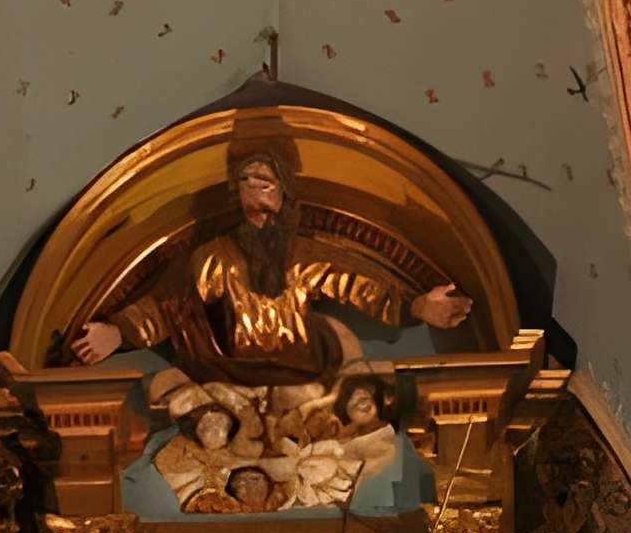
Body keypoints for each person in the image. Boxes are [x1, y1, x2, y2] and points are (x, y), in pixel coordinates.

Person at [69, 143, 470, 384]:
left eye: (266, 186)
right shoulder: (215, 258)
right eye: (246, 187)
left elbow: (360, 283)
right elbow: (169, 303)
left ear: (284, 195)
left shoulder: (304, 257)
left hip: (306, 377)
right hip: (232, 377)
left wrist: (417, 305)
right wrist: (119, 332)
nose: (257, 200)